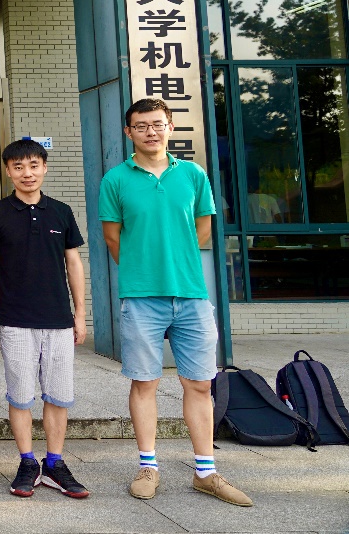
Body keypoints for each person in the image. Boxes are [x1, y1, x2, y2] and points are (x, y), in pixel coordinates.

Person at [100, 97, 252, 507]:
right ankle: (148, 466)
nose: (150, 131)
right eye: (141, 126)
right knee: (144, 382)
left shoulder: (193, 174)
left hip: (191, 294)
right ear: (129, 132)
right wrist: (144, 267)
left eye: (157, 124)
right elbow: (113, 238)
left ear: (170, 127)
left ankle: (206, 472)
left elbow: (203, 230)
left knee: (200, 383)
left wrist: (174, 260)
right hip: (141, 297)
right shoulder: (115, 179)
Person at [0, 139, 90, 499]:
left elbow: (73, 263)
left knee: (58, 395)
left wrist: (80, 314)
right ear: (8, 171)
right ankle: (27, 462)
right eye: (18, 167)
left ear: (44, 167)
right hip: (14, 320)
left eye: (33, 166)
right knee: (21, 396)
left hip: (58, 319)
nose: (26, 173)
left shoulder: (61, 211)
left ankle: (55, 463)